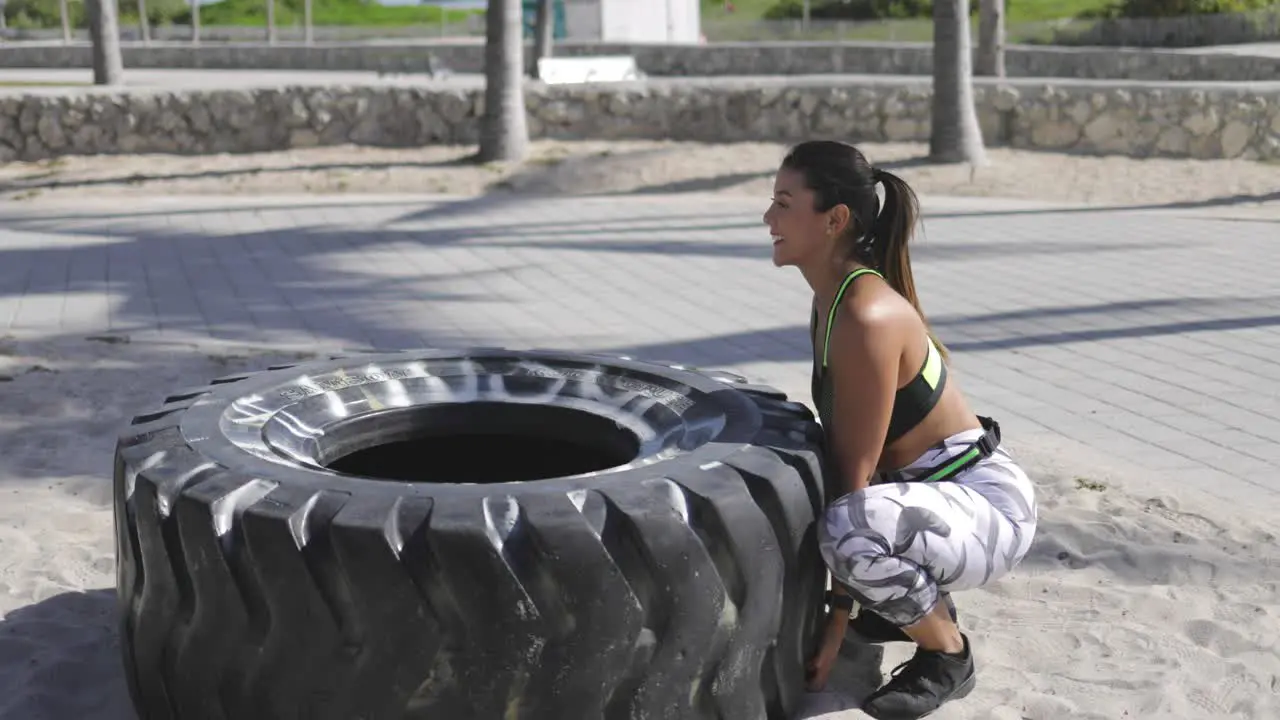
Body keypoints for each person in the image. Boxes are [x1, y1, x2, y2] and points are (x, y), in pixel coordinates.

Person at [763, 140, 1038, 720]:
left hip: (988, 507)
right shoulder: (833, 299)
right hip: (932, 499)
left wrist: (834, 627)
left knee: (846, 527)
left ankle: (948, 655)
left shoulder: (867, 314)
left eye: (784, 203)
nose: (769, 218)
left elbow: (855, 485)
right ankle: (905, 607)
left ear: (834, 219)